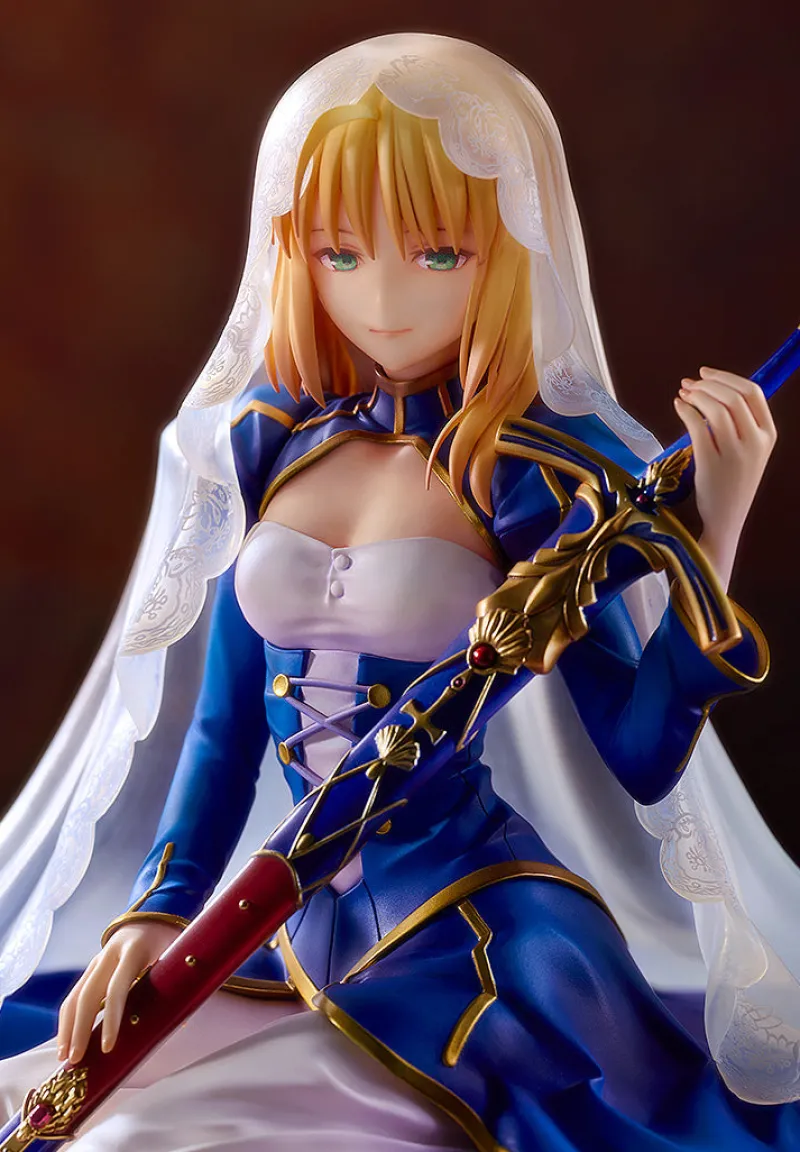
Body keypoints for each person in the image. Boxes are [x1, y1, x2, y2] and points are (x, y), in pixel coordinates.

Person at [0, 33, 798, 1152]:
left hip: (469, 932)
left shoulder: (535, 475)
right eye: (338, 252)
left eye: (435, 253)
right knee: (50, 1104)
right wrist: (156, 912)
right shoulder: (273, 444)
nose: (379, 298)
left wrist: (713, 527)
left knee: (170, 1137)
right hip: (275, 924)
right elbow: (224, 736)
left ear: (506, 248)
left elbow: (639, 750)